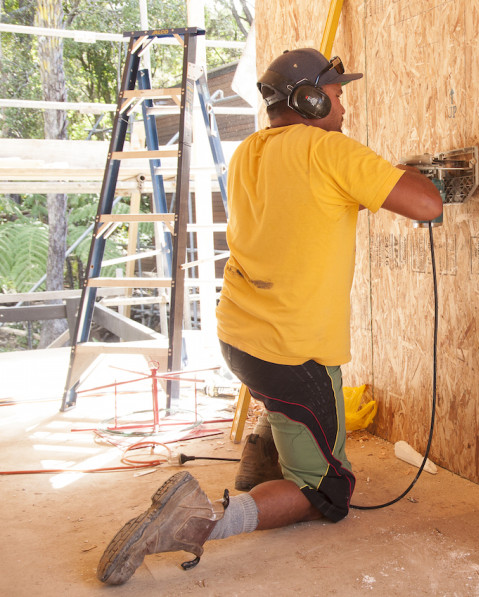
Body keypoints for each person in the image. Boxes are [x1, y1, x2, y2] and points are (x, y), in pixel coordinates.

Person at [97, 48, 442, 585]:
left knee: (284, 401)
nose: (343, 103)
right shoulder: (330, 151)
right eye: (336, 93)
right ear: (308, 99)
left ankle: (264, 457)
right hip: (293, 350)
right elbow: (427, 204)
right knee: (327, 491)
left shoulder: (249, 152)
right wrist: (405, 173)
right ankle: (199, 522)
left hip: (239, 335)